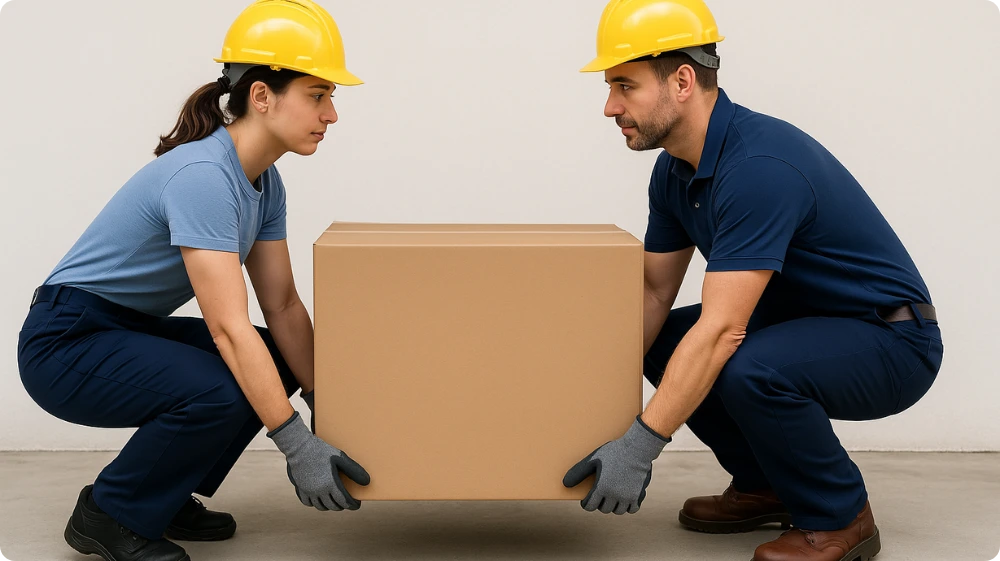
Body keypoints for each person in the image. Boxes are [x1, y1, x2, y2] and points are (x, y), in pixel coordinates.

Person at [561, 1, 943, 560]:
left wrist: (640, 446)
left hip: (889, 340)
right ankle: (766, 483)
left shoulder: (758, 167)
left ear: (683, 81)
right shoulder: (675, 170)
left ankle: (840, 516)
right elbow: (651, 293)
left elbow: (722, 330)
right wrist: (581, 412)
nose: (609, 106)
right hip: (801, 322)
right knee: (668, 339)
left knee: (738, 359)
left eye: (624, 85)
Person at [16, 1, 371, 560]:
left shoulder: (265, 182)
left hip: (125, 330)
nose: (331, 115)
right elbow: (228, 329)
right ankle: (111, 514)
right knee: (221, 381)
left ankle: (163, 492)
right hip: (65, 341)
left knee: (272, 356)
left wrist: (325, 403)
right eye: (317, 95)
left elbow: (282, 307)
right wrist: (295, 442)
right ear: (261, 95)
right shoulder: (204, 176)